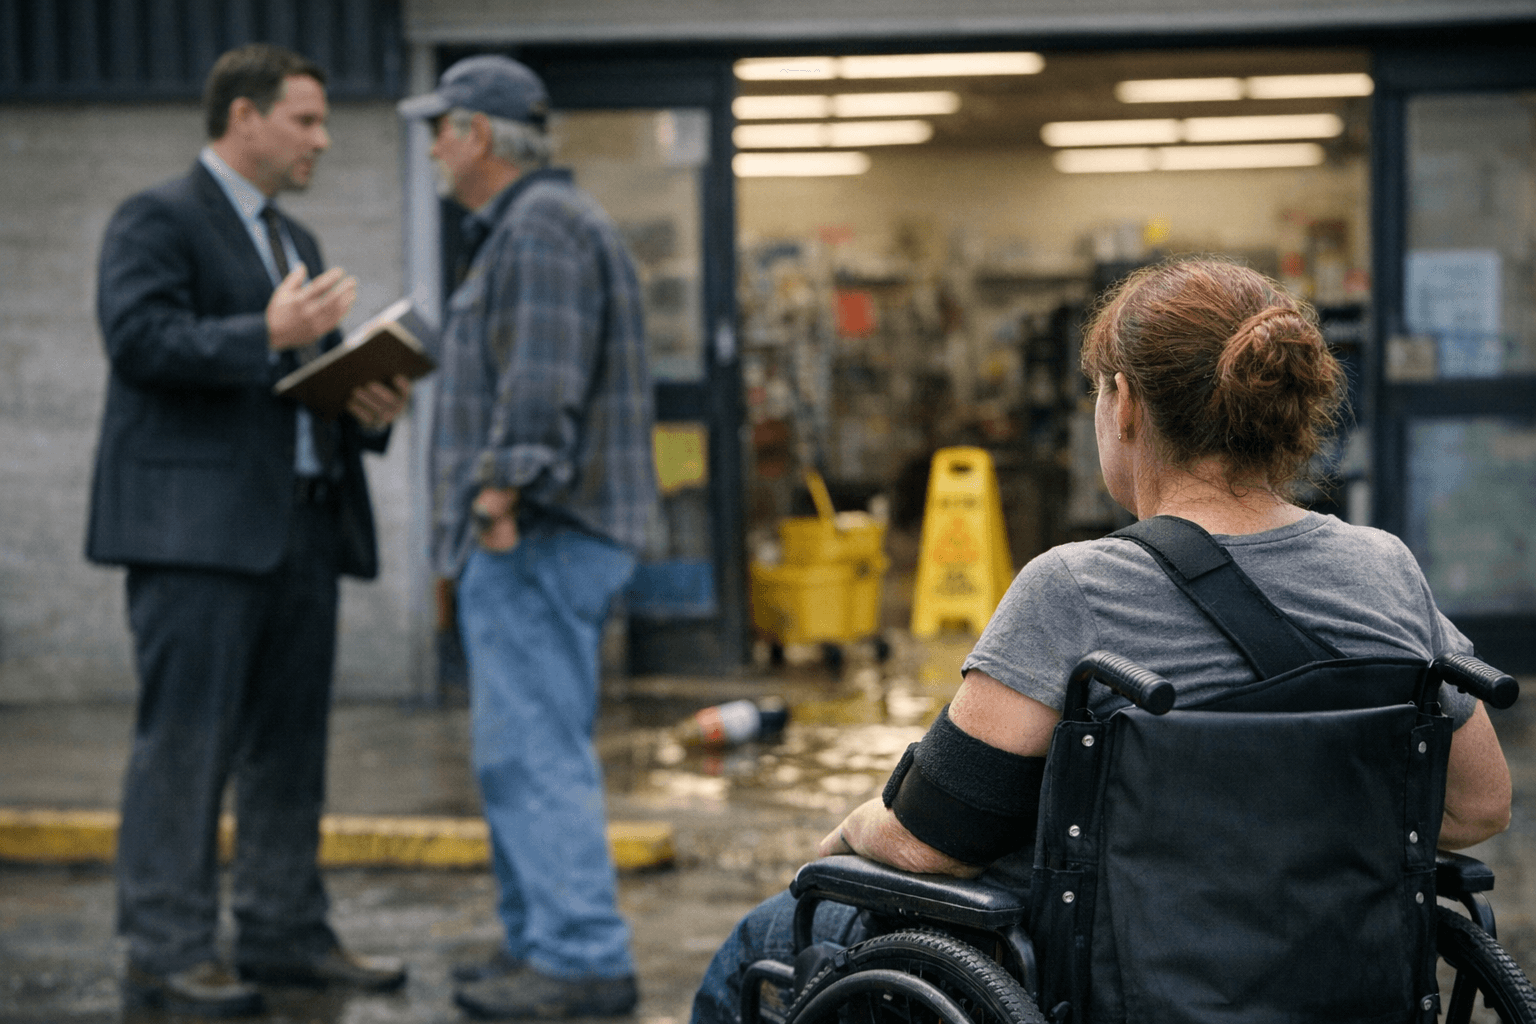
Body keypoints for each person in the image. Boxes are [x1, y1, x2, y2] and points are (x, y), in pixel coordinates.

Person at [689, 256, 1514, 1024]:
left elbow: (932, 842)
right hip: (1332, 981)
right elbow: (1478, 806)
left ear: (1123, 406)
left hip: (1113, 984)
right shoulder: (1385, 570)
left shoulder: (1075, 589)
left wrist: (849, 835)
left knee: (767, 940)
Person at [87, 43, 411, 1017]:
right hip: (196, 541)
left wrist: (366, 401)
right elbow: (137, 339)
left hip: (302, 532)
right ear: (243, 117)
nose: (321, 137)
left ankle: (282, 935)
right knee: (186, 745)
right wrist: (261, 336)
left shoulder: (294, 238)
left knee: (290, 750)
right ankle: (166, 946)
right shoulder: (156, 218)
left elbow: (292, 386)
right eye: (305, 120)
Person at [398, 55, 657, 1020]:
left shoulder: (542, 226)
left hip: (539, 532)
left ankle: (582, 959)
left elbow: (539, 385)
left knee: (536, 749)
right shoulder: (532, 225)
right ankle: (537, 945)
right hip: (536, 534)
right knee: (515, 749)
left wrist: (497, 501)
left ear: (476, 136)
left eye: (441, 126)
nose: (431, 145)